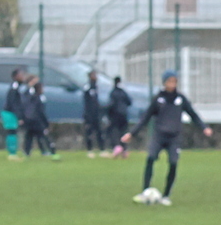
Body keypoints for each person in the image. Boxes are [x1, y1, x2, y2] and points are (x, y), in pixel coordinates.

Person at [122, 69, 213, 206]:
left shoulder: (180, 99)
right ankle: (145, 191)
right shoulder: (158, 99)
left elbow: (193, 114)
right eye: (169, 81)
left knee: (173, 163)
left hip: (174, 138)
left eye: (174, 81)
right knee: (150, 158)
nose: (172, 84)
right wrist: (132, 134)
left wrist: (204, 127)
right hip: (159, 136)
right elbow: (145, 117)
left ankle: (166, 195)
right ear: (164, 82)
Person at [20, 76, 59, 160]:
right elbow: (41, 111)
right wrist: (46, 123)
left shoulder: (32, 96)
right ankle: (52, 151)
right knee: (44, 135)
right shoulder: (37, 97)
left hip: (30, 119)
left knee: (29, 136)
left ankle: (27, 152)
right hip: (37, 121)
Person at [82, 69, 107, 157]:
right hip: (89, 113)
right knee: (89, 132)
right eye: (94, 75)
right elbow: (87, 101)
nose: (96, 77)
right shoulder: (87, 87)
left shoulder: (95, 86)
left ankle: (102, 150)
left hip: (96, 113)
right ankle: (90, 150)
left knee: (99, 131)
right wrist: (87, 113)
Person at [106, 76, 132, 158]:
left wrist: (108, 113)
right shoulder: (123, 92)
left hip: (115, 114)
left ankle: (117, 147)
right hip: (124, 114)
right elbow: (129, 102)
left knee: (114, 131)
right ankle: (124, 149)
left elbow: (111, 104)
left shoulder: (113, 92)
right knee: (123, 131)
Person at [2, 67, 25, 161]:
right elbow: (13, 103)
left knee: (12, 132)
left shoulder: (17, 86)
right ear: (15, 76)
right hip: (10, 113)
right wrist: (19, 116)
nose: (23, 76)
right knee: (12, 132)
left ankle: (13, 153)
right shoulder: (14, 87)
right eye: (21, 75)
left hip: (10, 112)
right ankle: (12, 154)